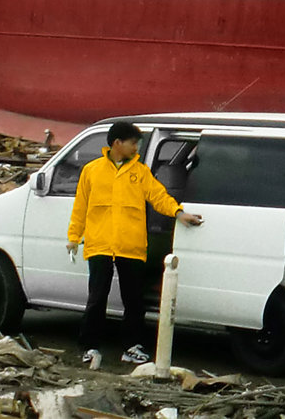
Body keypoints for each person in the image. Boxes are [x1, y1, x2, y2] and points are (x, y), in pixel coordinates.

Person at [67, 121, 203, 366]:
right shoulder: (92, 170)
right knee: (97, 298)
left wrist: (178, 212)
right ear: (117, 143)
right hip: (100, 245)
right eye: (133, 142)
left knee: (133, 299)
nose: (136, 147)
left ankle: (132, 347)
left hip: (131, 246)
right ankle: (89, 347)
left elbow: (158, 195)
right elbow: (81, 207)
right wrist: (73, 238)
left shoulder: (140, 173)